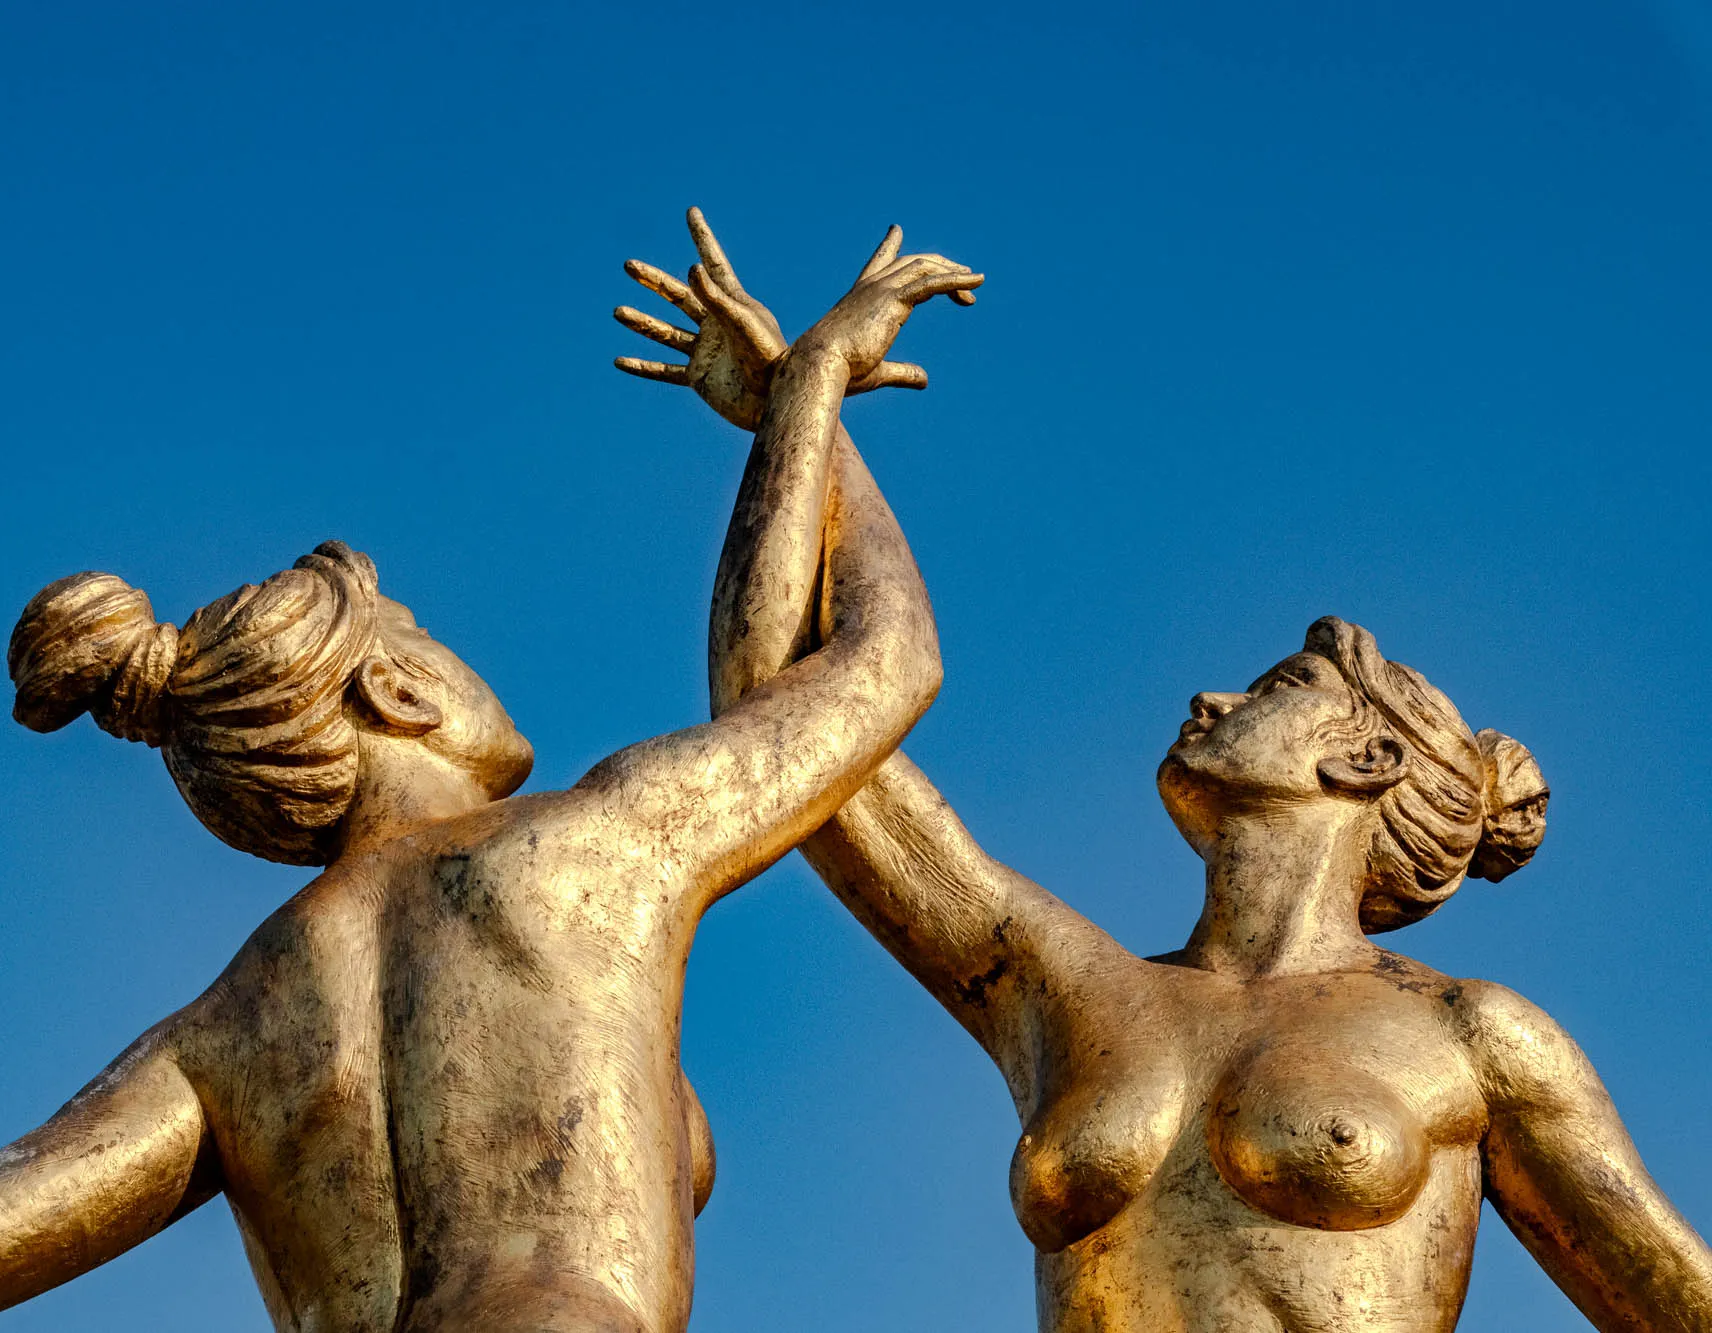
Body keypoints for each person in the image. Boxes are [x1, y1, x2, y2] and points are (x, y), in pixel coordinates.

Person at [0, 225, 981, 1333]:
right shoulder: (588, 846)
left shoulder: (221, 1029)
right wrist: (805, 390)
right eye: (425, 631)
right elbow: (880, 663)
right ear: (399, 691)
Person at [617, 214, 1712, 1331]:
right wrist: (805, 406)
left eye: (1274, 688)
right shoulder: (1064, 990)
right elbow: (778, 712)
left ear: (1364, 757)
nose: (1214, 698)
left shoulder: (1472, 1036)